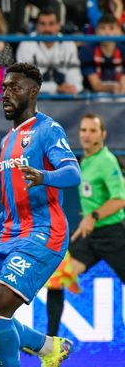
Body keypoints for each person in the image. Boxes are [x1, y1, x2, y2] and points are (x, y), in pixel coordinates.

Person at [0, 62, 81, 367]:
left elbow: (72, 172)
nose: (6, 93)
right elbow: (13, 204)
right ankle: (47, 347)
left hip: (44, 231)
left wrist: (43, 176)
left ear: (33, 92)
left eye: (15, 87)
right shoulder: (6, 141)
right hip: (10, 233)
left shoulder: (48, 129)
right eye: (4, 88)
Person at [45, 113, 125, 336]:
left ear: (103, 134)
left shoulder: (106, 160)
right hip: (91, 237)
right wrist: (87, 220)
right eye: (83, 130)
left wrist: (93, 217)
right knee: (56, 279)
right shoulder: (86, 160)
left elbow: (120, 199)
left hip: (114, 236)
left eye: (92, 130)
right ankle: (50, 342)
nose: (87, 135)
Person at [16, 9, 83, 96]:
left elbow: (74, 73)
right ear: (37, 26)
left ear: (58, 26)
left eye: (51, 24)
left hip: (66, 97)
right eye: (42, 24)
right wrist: (56, 88)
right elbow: (24, 81)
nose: (47, 29)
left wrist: (73, 87)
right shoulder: (26, 44)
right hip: (35, 98)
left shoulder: (68, 43)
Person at [79, 14, 125, 95]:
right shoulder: (87, 50)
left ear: (120, 31)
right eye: (102, 28)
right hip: (94, 98)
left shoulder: (123, 50)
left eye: (111, 28)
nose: (107, 33)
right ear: (96, 31)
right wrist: (114, 87)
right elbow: (95, 86)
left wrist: (121, 87)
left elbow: (123, 84)